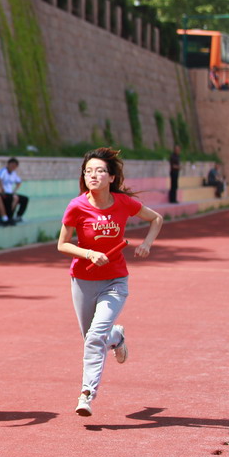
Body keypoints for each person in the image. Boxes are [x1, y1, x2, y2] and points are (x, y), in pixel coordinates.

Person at [57, 147, 163, 417]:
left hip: (115, 281)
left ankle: (86, 393)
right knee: (91, 337)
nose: (93, 175)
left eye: (100, 171)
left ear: (112, 177)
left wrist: (147, 244)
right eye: (88, 171)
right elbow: (62, 245)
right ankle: (116, 337)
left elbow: (156, 218)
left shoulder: (123, 203)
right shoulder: (77, 206)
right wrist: (89, 253)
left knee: (94, 337)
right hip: (83, 280)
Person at [0, 157, 29, 222]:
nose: (13, 167)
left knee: (25, 199)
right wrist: (2, 189)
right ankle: (9, 216)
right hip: (3, 193)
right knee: (15, 198)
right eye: (12, 165)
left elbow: (19, 182)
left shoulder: (14, 173)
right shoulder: (3, 171)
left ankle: (18, 216)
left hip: (10, 193)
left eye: (15, 166)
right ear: (8, 164)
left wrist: (14, 191)